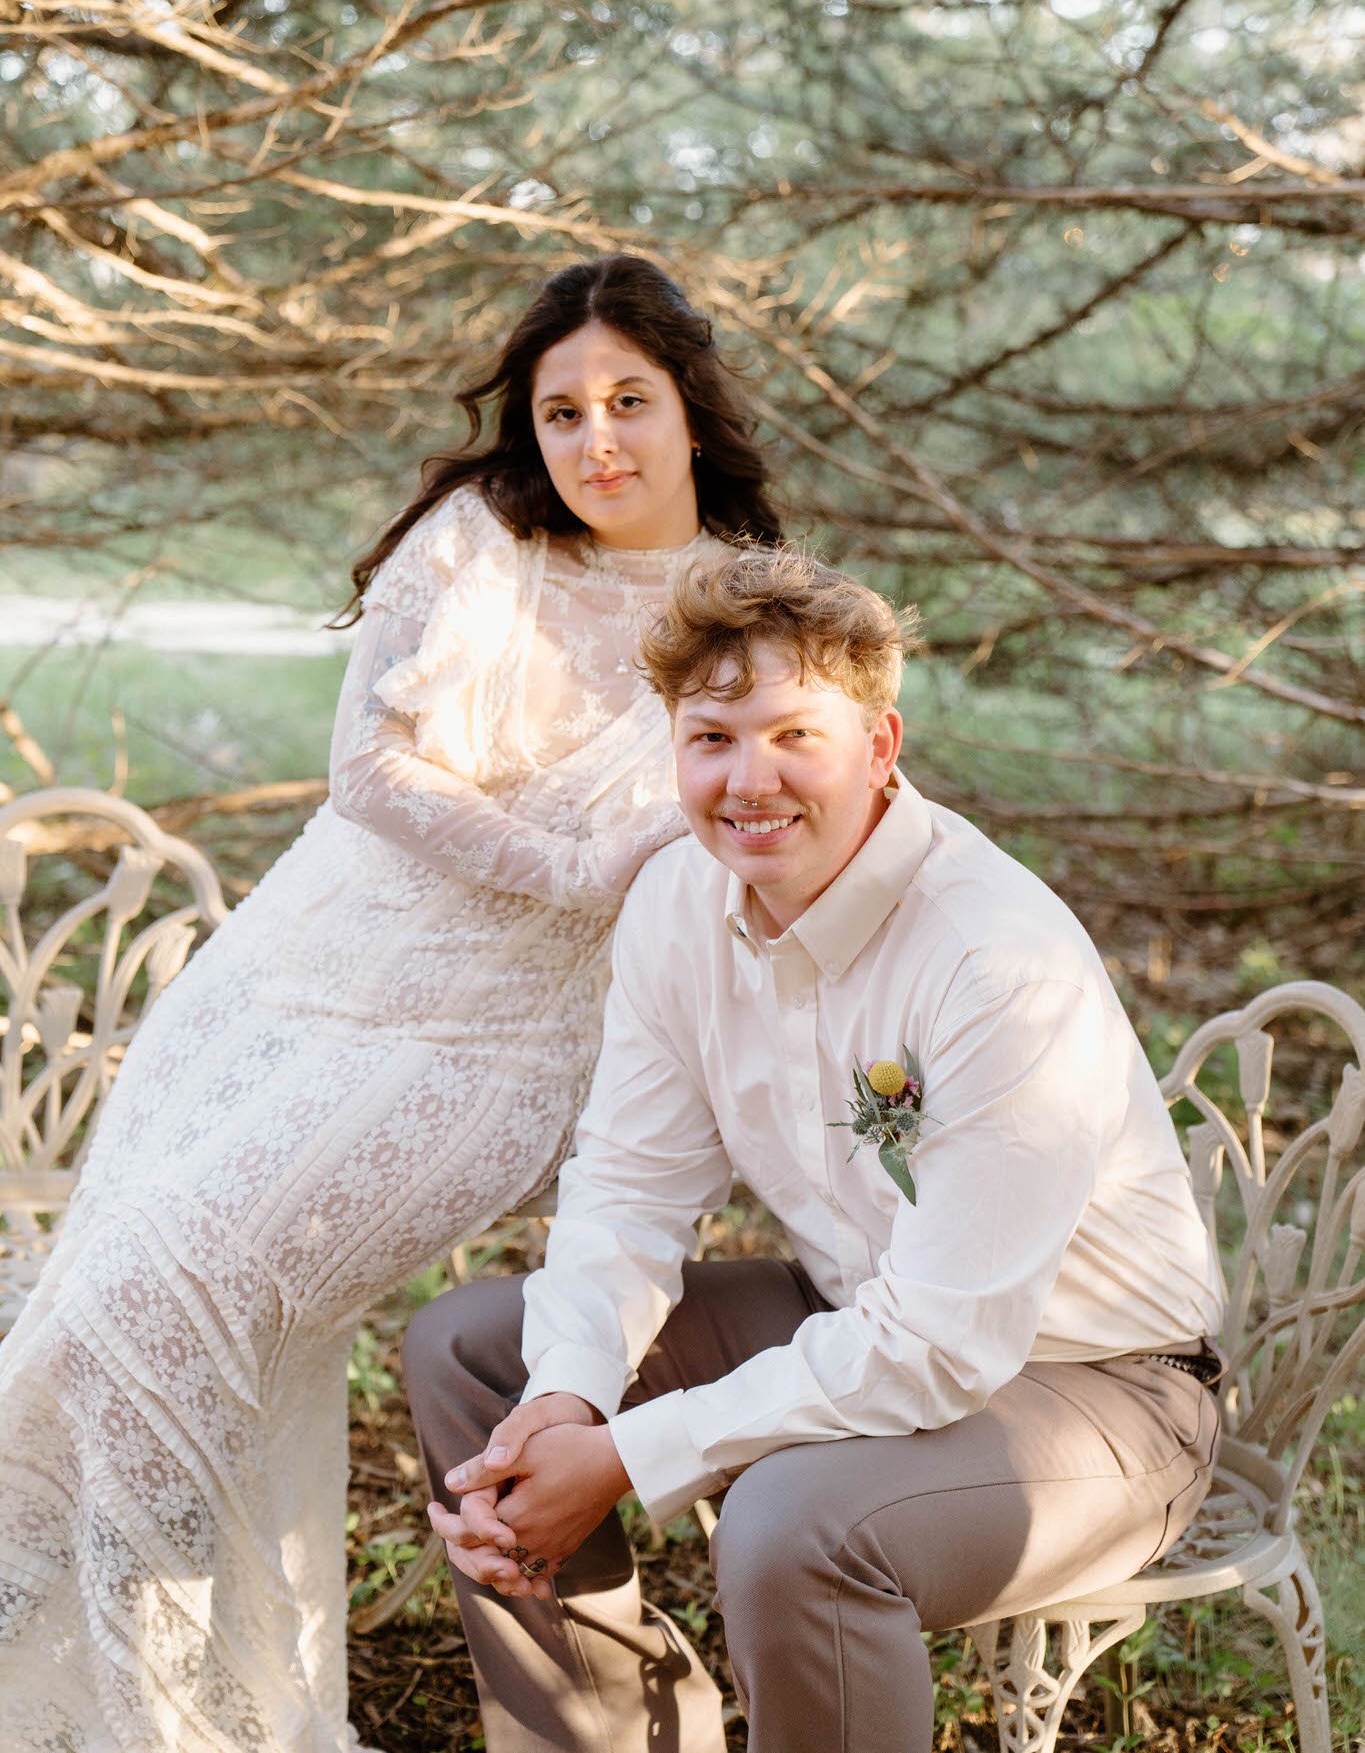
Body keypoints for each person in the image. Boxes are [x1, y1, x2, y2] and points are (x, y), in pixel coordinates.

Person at [0, 255, 781, 1753]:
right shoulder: (478, 535)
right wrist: (571, 860)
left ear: (694, 410)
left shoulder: (742, 615)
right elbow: (368, 775)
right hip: (289, 981)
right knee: (125, 1315)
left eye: (630, 401)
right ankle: (179, 1708)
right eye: (561, 411)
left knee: (157, 1314)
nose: (596, 440)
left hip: (486, 1048)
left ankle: (165, 1712)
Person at [405, 544, 1226, 1753]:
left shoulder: (991, 959)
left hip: (1102, 1389)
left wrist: (623, 1454)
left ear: (881, 747)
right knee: (476, 1352)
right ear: (673, 748)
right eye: (713, 737)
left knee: (792, 1521)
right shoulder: (678, 905)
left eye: (797, 735)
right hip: (849, 1306)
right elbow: (630, 1186)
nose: (751, 781)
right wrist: (564, 1404)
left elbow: (944, 1345)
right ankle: (600, 1739)